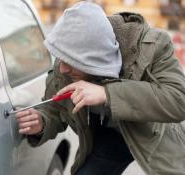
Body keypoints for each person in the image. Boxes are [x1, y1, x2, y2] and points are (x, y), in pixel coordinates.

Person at [15, 2, 185, 175]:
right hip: (109, 141)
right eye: (61, 59)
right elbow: (55, 110)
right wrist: (42, 121)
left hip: (155, 137)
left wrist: (107, 93)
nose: (62, 68)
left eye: (71, 62)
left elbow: (179, 99)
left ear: (95, 58)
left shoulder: (153, 46)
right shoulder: (66, 59)